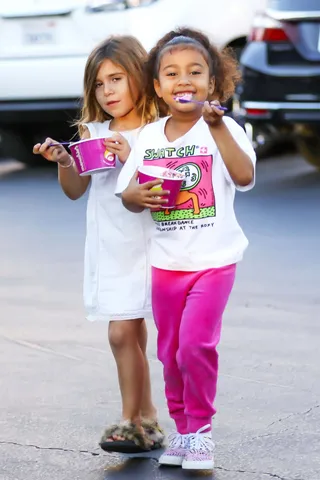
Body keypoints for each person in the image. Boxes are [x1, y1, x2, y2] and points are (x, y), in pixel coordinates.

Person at [115, 27, 256, 470]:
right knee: (170, 351)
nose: (184, 80)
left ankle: (202, 432)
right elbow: (128, 191)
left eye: (196, 72)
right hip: (167, 264)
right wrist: (136, 196)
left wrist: (216, 127)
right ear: (157, 87)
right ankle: (182, 429)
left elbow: (245, 176)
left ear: (213, 83)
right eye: (172, 73)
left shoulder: (224, 127)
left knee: (196, 345)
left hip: (214, 261)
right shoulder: (150, 137)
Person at [32, 35, 164, 454]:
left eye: (117, 79)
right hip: (112, 249)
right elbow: (75, 191)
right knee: (128, 333)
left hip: (153, 245)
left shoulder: (159, 131)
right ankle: (145, 419)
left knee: (124, 332)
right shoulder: (94, 131)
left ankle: (133, 422)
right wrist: (67, 161)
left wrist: (130, 157)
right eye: (99, 84)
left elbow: (161, 186)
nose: (107, 91)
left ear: (139, 77)